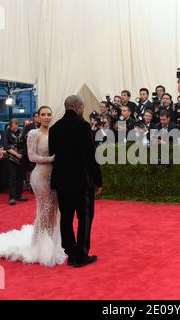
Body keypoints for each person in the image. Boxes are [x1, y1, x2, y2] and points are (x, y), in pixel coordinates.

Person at [0, 106, 66, 267]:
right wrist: (53, 158)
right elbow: (32, 157)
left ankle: (53, 243)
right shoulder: (34, 134)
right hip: (40, 176)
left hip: (55, 177)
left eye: (49, 114)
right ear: (38, 117)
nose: (47, 117)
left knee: (55, 210)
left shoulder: (55, 133)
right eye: (43, 114)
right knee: (44, 209)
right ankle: (40, 246)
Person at [49, 95, 103, 268]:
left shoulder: (55, 127)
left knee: (66, 217)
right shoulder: (83, 126)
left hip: (61, 180)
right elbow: (90, 156)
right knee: (85, 217)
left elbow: (53, 151)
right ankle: (81, 255)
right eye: (83, 107)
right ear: (78, 107)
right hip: (82, 180)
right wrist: (98, 181)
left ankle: (70, 252)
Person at [3, 119, 28, 205]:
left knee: (20, 177)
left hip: (21, 157)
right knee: (12, 177)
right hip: (11, 158)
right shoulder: (6, 132)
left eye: (17, 126)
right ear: (10, 126)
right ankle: (12, 197)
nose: (15, 128)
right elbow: (6, 146)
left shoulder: (21, 132)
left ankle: (19, 195)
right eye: (14, 127)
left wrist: (22, 153)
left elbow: (25, 144)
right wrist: (16, 154)